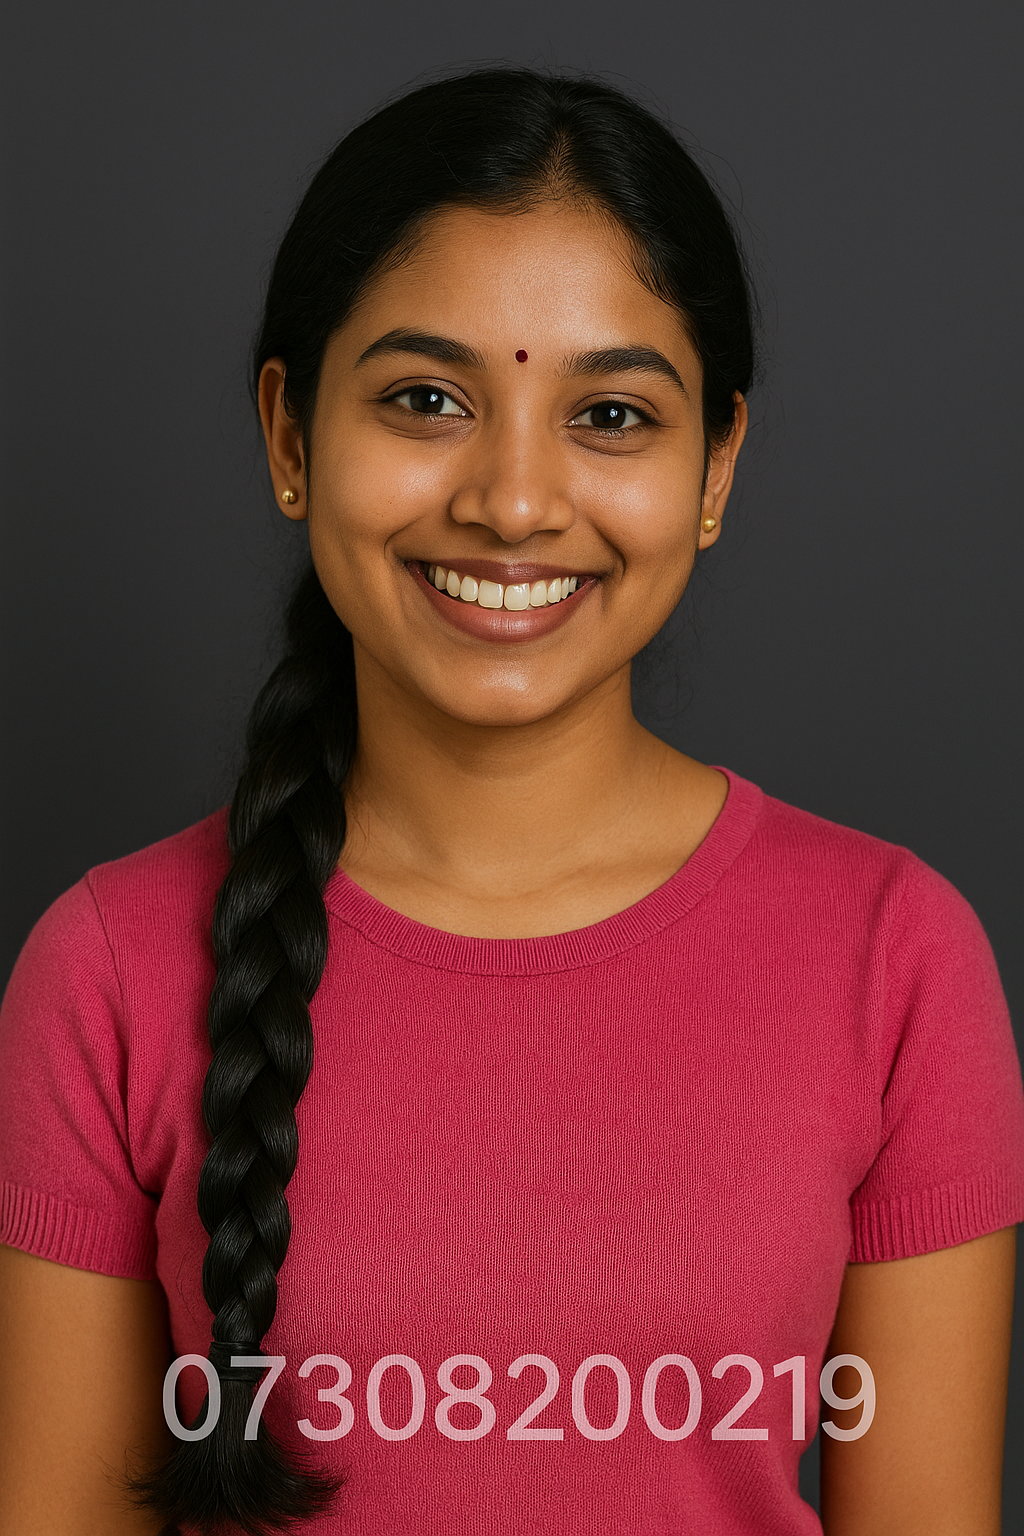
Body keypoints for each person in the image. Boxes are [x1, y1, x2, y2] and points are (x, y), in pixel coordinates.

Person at [0, 66, 1022, 1536]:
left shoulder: (899, 956)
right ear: (290, 436)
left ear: (716, 464)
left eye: (612, 413)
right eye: (426, 399)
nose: (516, 498)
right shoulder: (104, 970)